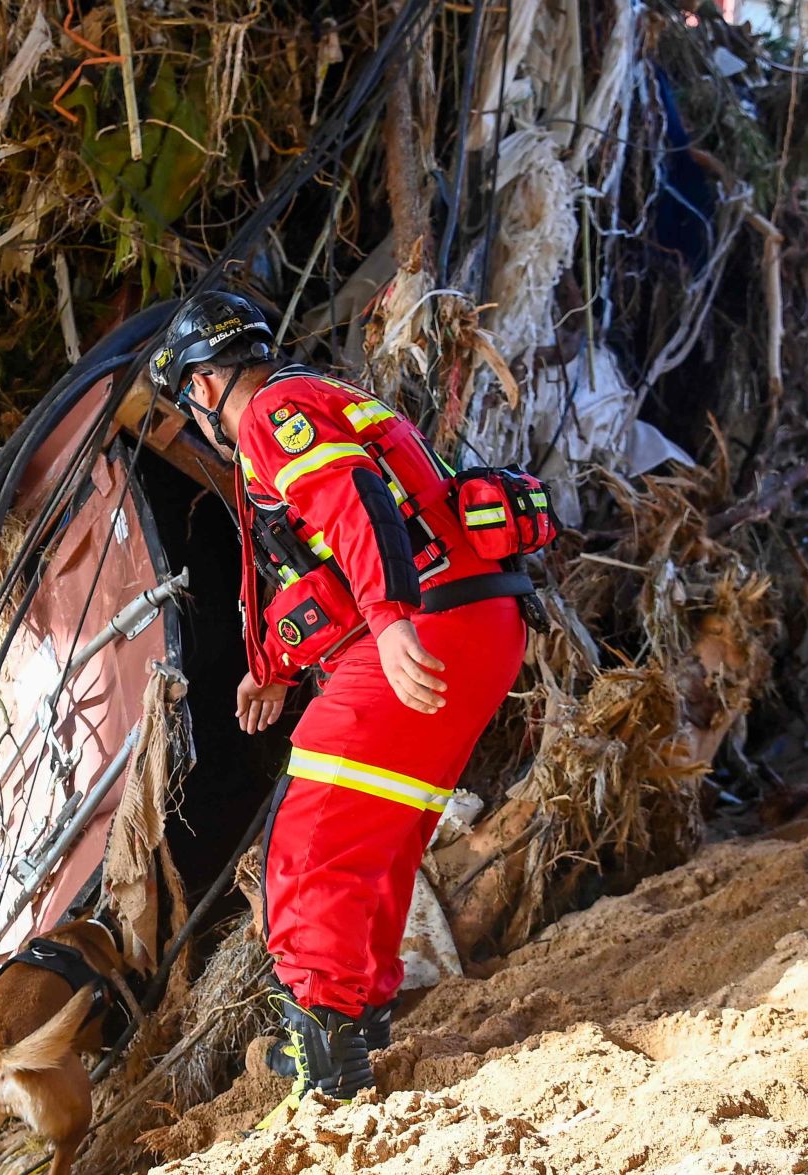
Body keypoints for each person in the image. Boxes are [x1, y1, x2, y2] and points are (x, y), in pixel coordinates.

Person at [148, 292, 530, 1118]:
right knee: (378, 838)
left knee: (311, 836)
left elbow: (354, 501)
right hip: (476, 622)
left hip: (427, 626)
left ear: (207, 384)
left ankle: (325, 1058)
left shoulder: (273, 412)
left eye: (190, 398)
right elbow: (323, 552)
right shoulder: (320, 397)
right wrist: (278, 667)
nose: (197, 415)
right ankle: (357, 1031)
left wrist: (393, 624)